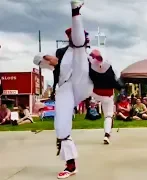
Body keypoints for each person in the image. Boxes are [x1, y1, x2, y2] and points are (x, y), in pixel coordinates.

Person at [33, 1, 92, 178]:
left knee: (80, 55)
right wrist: (46, 58)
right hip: (65, 87)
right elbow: (37, 59)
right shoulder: (61, 53)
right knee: (61, 127)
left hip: (84, 83)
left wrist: (75, 12)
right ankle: (70, 165)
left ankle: (75, 10)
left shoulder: (86, 51)